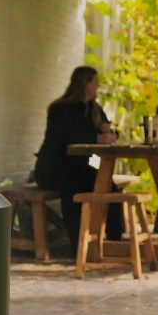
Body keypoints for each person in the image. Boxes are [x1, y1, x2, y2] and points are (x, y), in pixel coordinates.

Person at [34, 66, 122, 256]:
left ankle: (115, 240)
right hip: (53, 168)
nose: (98, 85)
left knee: (108, 185)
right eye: (95, 81)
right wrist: (97, 138)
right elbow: (68, 137)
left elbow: (107, 131)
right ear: (85, 83)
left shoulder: (94, 109)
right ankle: (78, 246)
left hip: (79, 167)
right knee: (74, 188)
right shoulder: (60, 109)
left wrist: (110, 133)